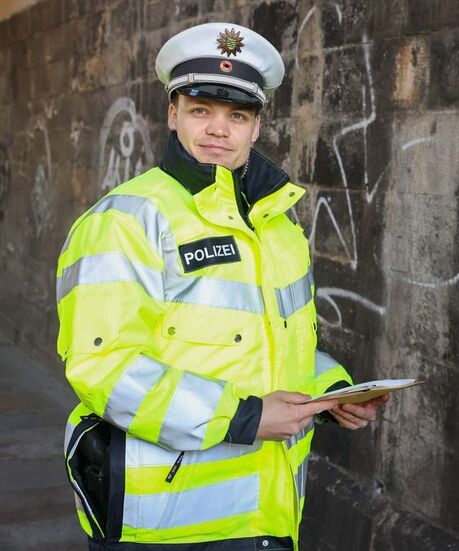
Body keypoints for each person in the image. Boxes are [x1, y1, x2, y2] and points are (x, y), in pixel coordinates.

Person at [57, 22, 387, 551]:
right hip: (165, 525)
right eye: (200, 110)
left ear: (256, 127)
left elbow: (279, 343)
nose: (218, 129)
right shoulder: (124, 221)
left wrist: (330, 394)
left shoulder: (277, 225)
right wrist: (245, 417)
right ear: (173, 114)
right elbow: (104, 367)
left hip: (269, 515)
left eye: (236, 115)